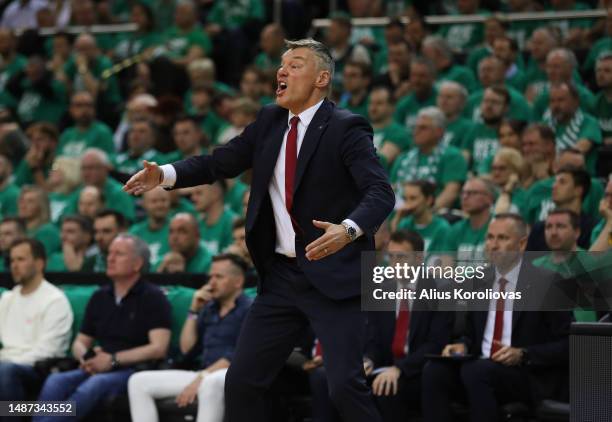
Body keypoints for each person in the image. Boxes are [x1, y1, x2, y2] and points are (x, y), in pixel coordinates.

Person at [124, 38, 394, 422]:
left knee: (344, 387)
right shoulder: (269, 120)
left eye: (295, 65)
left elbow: (380, 192)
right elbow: (220, 163)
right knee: (241, 382)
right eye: (281, 65)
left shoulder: (346, 128)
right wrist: (165, 175)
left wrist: (348, 230)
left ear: (322, 78)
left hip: (333, 275)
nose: (282, 71)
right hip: (281, 277)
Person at [422, 213, 572, 422]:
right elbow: (471, 335)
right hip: (480, 368)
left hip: (525, 373)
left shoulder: (547, 282)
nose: (493, 245)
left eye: (502, 238)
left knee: (476, 371)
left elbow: (569, 343)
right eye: (490, 238)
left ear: (521, 244)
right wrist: (462, 346)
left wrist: (524, 353)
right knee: (435, 371)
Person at [34, 234, 172, 422]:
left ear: (137, 264)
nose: (110, 258)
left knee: (93, 386)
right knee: (56, 381)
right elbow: (80, 341)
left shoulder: (153, 297)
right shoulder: (100, 296)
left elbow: (158, 348)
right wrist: (85, 358)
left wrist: (113, 360)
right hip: (97, 367)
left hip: (131, 370)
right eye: (109, 253)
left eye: (119, 254)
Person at [128, 253, 252, 422]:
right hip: (203, 372)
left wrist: (201, 378)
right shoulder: (209, 308)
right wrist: (193, 311)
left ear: (238, 281)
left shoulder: (250, 309)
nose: (211, 282)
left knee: (210, 382)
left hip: (234, 374)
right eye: (211, 277)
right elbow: (188, 349)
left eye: (219, 277)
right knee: (138, 382)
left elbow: (239, 354)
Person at [0, 238, 73, 408]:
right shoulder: (7, 298)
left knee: (5, 371)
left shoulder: (54, 300)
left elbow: (48, 351)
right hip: (6, 363)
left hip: (37, 369)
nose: (14, 265)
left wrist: (6, 361)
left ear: (39, 264)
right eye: (12, 260)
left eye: (21, 259)